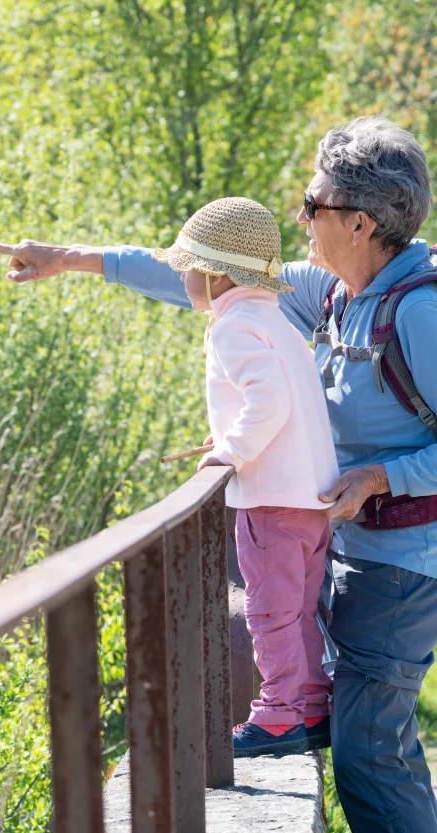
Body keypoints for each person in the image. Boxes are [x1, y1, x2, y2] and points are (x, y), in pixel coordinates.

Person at [0, 116, 437, 833]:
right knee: (365, 748)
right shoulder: (335, 290)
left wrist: (386, 472)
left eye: (310, 206)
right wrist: (68, 259)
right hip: (355, 547)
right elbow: (203, 270)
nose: (300, 219)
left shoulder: (420, 309)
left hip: (406, 562)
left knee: (372, 756)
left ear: (360, 220)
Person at [151, 196, 339, 758]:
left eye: (187, 270)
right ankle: (311, 702)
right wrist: (233, 433)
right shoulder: (274, 320)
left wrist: (231, 450)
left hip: (272, 504)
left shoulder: (231, 329)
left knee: (268, 611)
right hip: (311, 498)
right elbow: (290, 404)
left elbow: (270, 399)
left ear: (214, 276)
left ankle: (278, 713)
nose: (183, 280)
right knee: (300, 607)